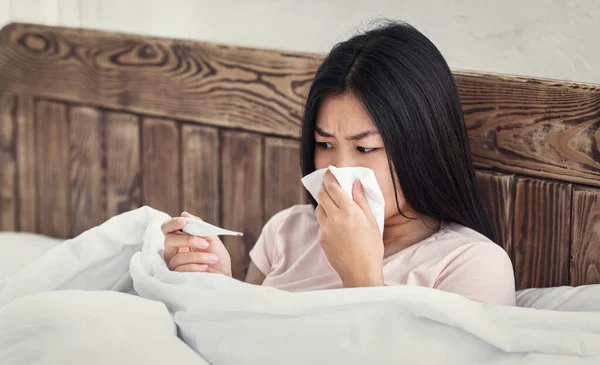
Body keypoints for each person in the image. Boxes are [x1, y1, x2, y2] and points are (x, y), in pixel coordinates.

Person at [161, 21, 516, 306]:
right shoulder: (287, 232)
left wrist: (361, 277)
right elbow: (244, 345)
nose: (338, 170)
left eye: (365, 149)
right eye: (325, 144)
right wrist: (218, 286)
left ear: (423, 146)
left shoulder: (470, 264)